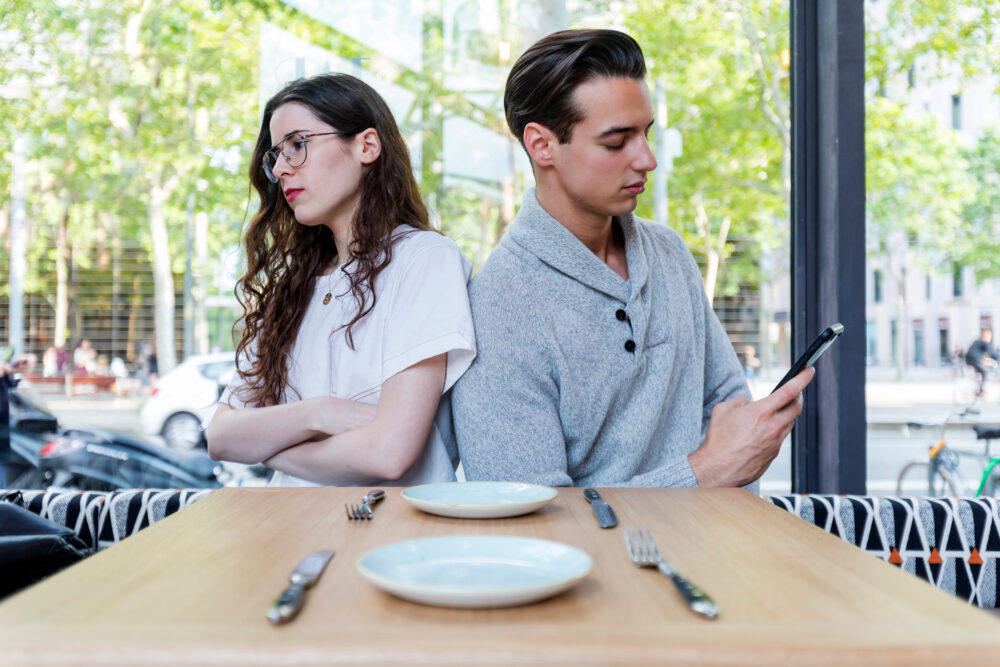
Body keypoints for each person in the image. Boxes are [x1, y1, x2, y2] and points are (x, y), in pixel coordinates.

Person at [452, 29, 814, 489]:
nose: (647, 159)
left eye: (645, 134)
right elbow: (530, 524)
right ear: (542, 145)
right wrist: (703, 473)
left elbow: (728, 408)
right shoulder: (498, 309)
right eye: (616, 141)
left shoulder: (670, 253)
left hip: (716, 547)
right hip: (601, 563)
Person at [207, 73, 476, 486]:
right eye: (275, 155)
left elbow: (387, 454)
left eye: (298, 145)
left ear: (366, 146)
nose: (280, 169)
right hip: (289, 534)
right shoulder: (291, 288)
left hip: (393, 538)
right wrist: (321, 412)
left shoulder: (425, 260)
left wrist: (269, 445)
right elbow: (222, 436)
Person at [966, 328, 999, 398]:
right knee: (984, 372)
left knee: (980, 372)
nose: (990, 338)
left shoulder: (977, 341)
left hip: (970, 360)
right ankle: (980, 390)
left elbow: (985, 355)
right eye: (989, 336)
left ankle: (978, 389)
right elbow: (993, 353)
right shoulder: (983, 342)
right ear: (985, 335)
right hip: (975, 360)